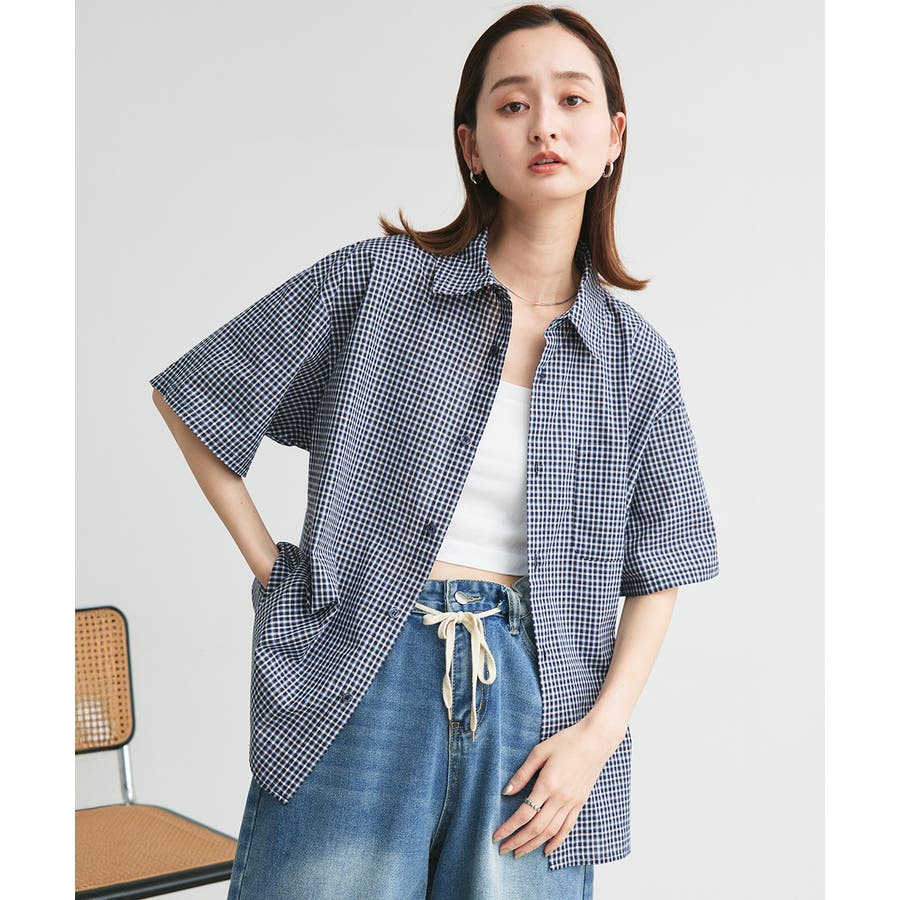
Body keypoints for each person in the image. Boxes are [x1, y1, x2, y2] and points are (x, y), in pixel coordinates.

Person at [149, 5, 718, 898]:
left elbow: (665, 564)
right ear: (470, 145)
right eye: (512, 104)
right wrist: (277, 573)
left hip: (540, 710)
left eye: (572, 100)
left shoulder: (636, 361)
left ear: (613, 137)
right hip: (361, 675)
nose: (544, 125)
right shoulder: (377, 285)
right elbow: (196, 396)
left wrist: (596, 739)